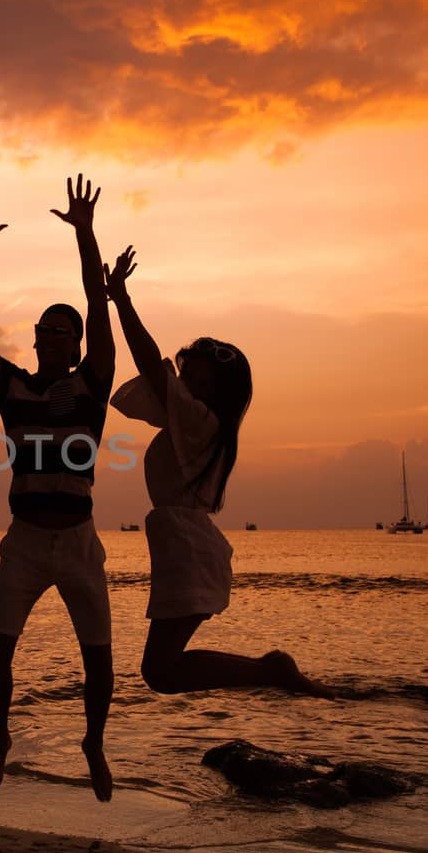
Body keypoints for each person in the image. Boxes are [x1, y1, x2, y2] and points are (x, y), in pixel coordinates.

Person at [104, 246, 332, 697]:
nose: (187, 387)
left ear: (220, 394)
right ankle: (270, 672)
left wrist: (122, 299)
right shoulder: (200, 426)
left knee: (161, 671)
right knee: (161, 671)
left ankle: (271, 671)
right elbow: (156, 378)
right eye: (189, 379)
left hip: (187, 548)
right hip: (185, 544)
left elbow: (149, 363)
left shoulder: (201, 422)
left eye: (200, 383)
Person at [0, 177, 117, 803]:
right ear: (35, 341)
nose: (51, 336)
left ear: (74, 344)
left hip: (78, 541)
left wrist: (85, 233)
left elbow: (99, 309)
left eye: (62, 330)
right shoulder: (13, 387)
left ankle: (94, 744)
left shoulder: (91, 385)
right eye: (43, 329)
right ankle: (0, 735)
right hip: (24, 542)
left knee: (98, 656)